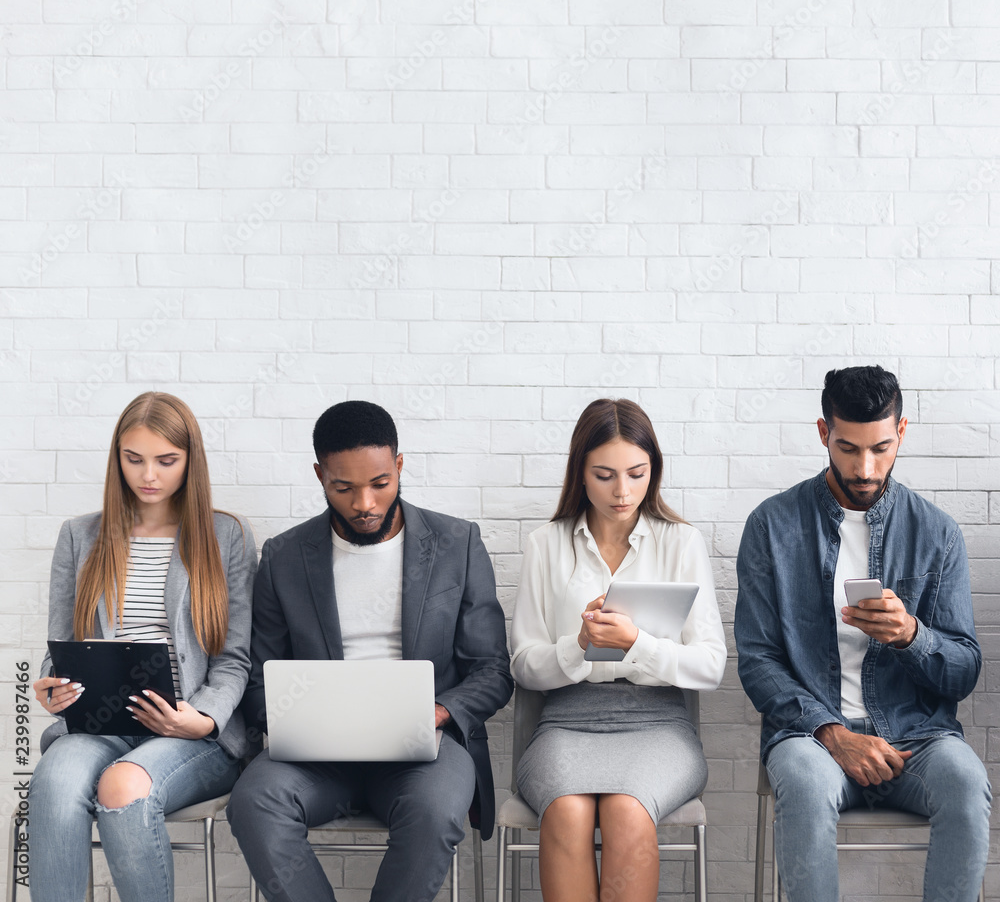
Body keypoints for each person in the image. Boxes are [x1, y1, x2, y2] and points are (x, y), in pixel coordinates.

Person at [228, 400, 512, 902]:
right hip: (317, 757)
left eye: (380, 483)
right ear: (319, 475)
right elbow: (255, 677)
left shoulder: (456, 543)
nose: (365, 503)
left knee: (434, 810)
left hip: (422, 751)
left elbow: (491, 669)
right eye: (344, 487)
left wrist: (440, 712)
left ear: (399, 466)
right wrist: (297, 719)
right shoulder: (284, 556)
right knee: (254, 802)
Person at [734, 365, 991, 902]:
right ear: (824, 432)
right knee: (803, 785)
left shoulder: (936, 532)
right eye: (849, 448)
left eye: (880, 447)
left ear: (901, 432)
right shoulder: (771, 525)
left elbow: (964, 670)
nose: (865, 467)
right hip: (813, 738)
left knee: (967, 786)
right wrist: (834, 734)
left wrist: (912, 636)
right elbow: (758, 661)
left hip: (917, 737)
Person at [29, 391, 257, 902]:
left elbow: (235, 659)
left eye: (166, 461)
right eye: (133, 459)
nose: (148, 475)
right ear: (117, 460)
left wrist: (200, 719)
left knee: (124, 788)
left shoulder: (228, 536)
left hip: (190, 733)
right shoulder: (78, 536)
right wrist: (52, 687)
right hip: (101, 723)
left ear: (189, 461)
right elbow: (59, 648)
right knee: (54, 782)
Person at [510, 398, 727, 902]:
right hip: (566, 721)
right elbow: (523, 665)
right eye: (604, 475)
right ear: (580, 474)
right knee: (566, 810)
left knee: (629, 809)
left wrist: (638, 645)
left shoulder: (681, 542)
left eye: (637, 473)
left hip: (660, 726)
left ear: (655, 470)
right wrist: (579, 646)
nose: (623, 491)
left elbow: (711, 666)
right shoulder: (547, 543)